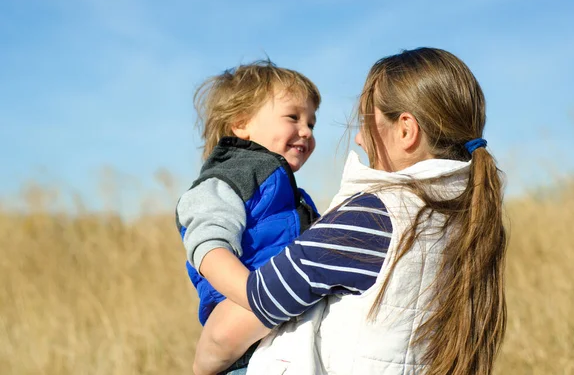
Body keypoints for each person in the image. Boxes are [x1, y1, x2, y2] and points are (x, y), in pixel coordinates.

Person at [198, 47, 508, 375]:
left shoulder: (371, 218)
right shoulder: (470, 220)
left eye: (365, 122)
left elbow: (231, 328)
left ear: (405, 130)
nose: (359, 138)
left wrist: (201, 366)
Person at [175, 60, 321, 375]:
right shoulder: (228, 179)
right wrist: (258, 296)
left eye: (311, 123)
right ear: (241, 123)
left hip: (286, 333)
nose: (306, 131)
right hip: (248, 345)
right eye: (293, 117)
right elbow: (208, 248)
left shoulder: (289, 191)